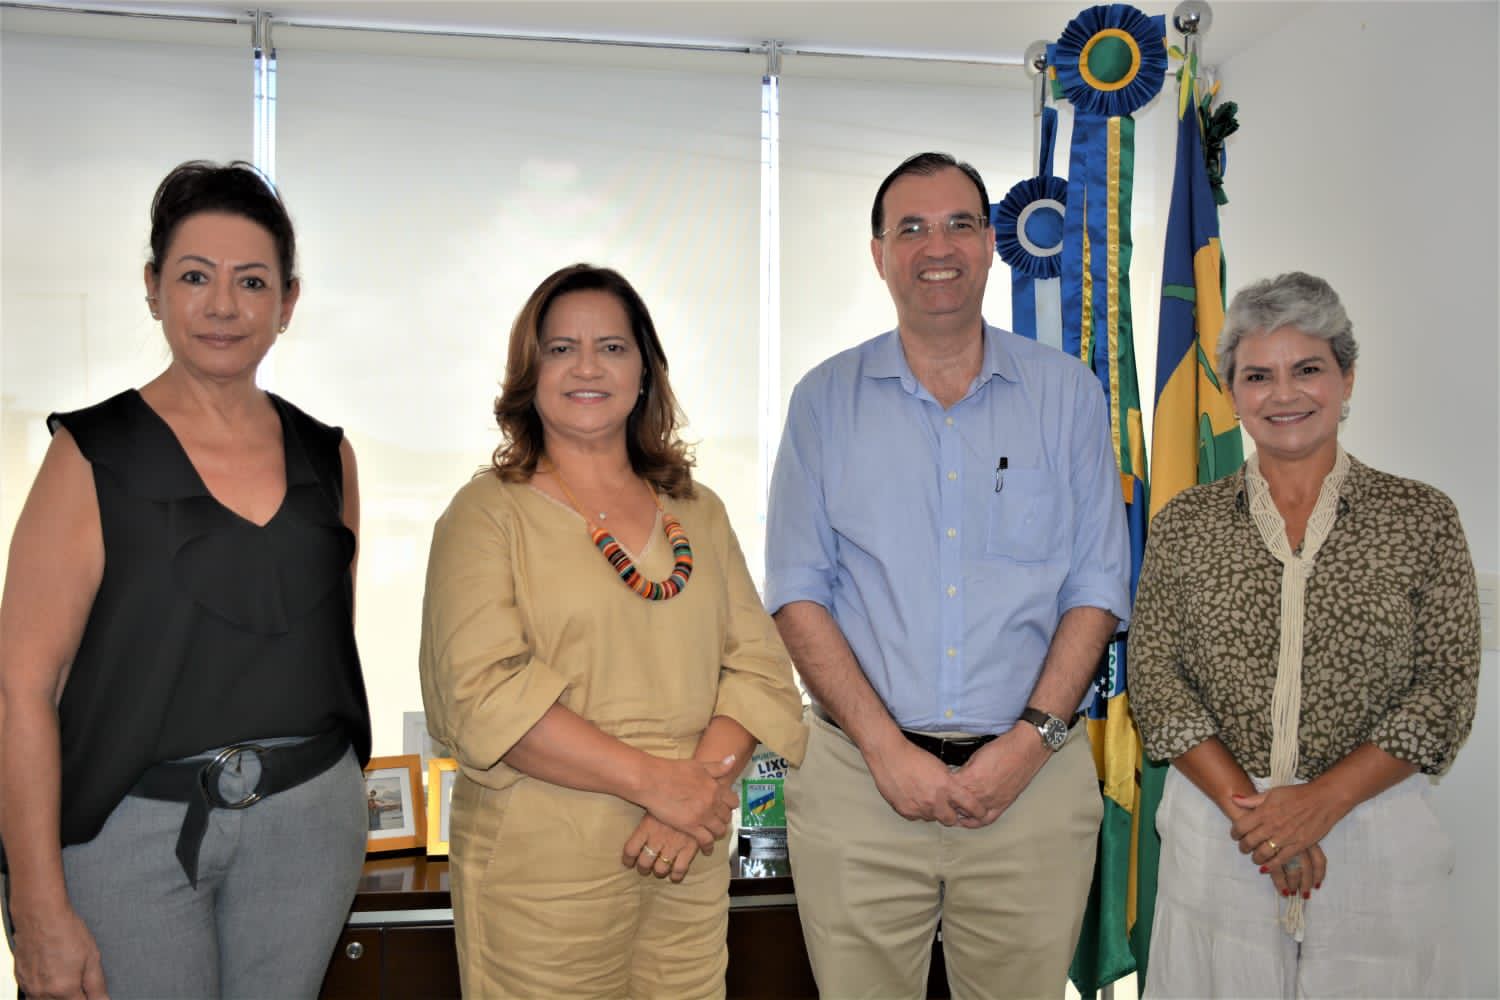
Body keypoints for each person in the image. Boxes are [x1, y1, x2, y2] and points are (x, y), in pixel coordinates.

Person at [0, 161, 372, 999]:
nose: (223, 306)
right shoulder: (89, 456)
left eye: (252, 282)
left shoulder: (328, 455)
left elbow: (322, 650)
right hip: (131, 834)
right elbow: (20, 691)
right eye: (195, 277)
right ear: (153, 287)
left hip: (311, 823)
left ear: (288, 300)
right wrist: (37, 906)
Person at [764, 151, 1131, 998]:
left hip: (1031, 785)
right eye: (913, 228)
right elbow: (795, 589)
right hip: (862, 782)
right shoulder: (823, 402)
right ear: (879, 252)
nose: (939, 246)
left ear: (992, 243)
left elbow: (1097, 586)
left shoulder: (1067, 394)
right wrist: (887, 750)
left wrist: (1029, 740)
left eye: (960, 223)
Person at [419, 263, 806, 998]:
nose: (588, 366)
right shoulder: (485, 516)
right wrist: (663, 787)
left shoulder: (698, 511)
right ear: (529, 374)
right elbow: (484, 699)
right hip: (541, 882)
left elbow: (758, 672)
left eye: (613, 347)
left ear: (645, 371)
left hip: (686, 862)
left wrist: (690, 802)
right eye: (561, 349)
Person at [1130, 271, 1480, 998]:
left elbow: (1445, 689)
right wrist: (1260, 818)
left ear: (1347, 379)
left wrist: (1322, 803)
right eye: (1258, 375)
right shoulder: (1185, 525)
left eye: (1308, 369)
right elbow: (1157, 680)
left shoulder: (1420, 518)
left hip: (1372, 835)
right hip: (1221, 835)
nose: (1283, 394)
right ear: (1231, 394)